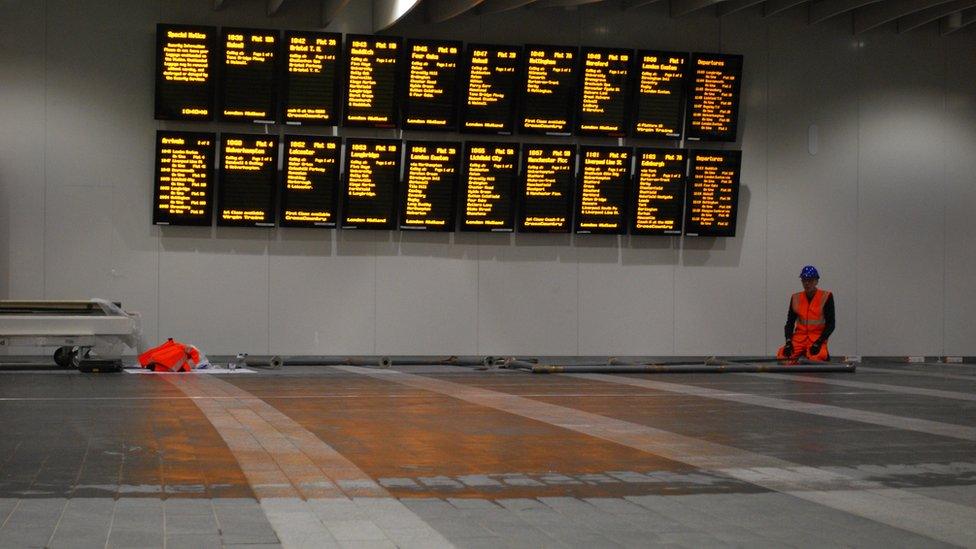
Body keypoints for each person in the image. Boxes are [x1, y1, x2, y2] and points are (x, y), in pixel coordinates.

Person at [777, 265, 834, 362]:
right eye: (804, 280)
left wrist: (819, 342)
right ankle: (803, 354)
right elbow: (790, 323)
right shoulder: (796, 298)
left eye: (810, 280)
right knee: (782, 356)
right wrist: (788, 341)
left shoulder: (826, 296)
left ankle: (814, 354)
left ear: (816, 281)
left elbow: (831, 324)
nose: (807, 283)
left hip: (816, 338)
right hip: (799, 338)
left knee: (817, 359)